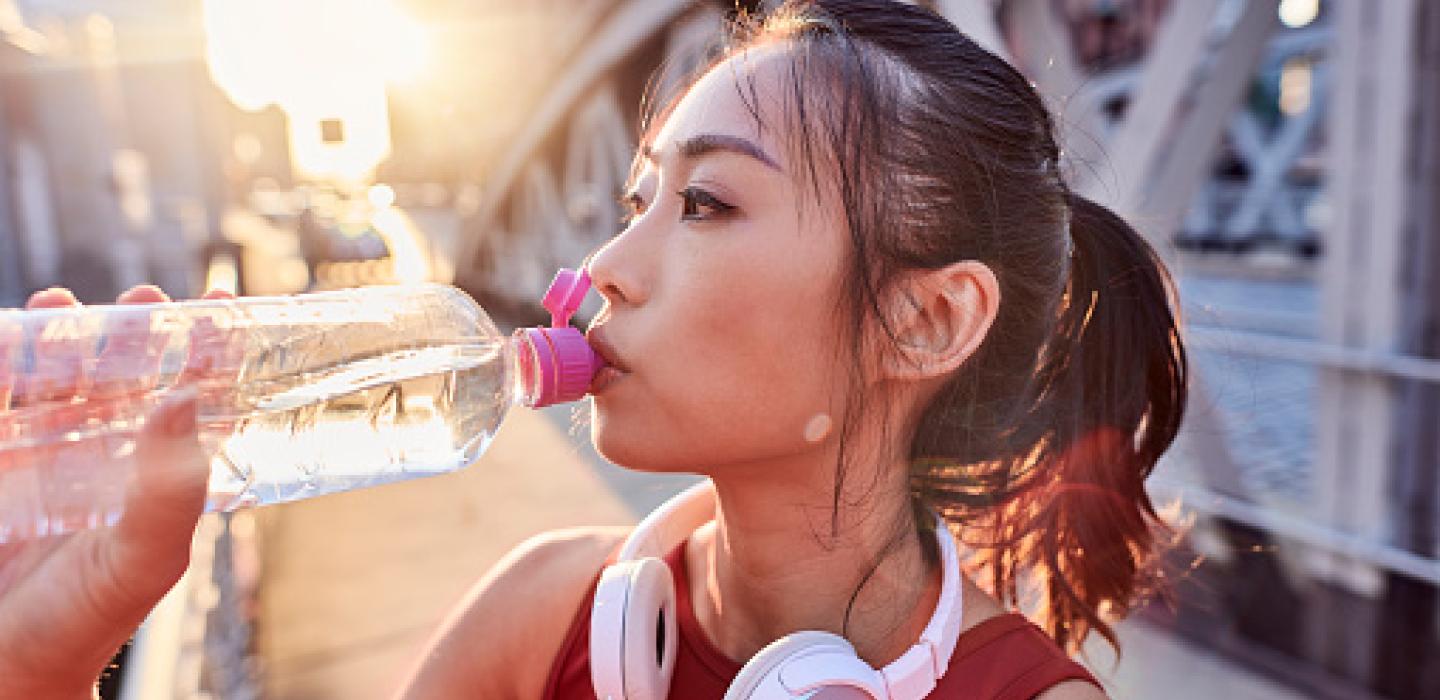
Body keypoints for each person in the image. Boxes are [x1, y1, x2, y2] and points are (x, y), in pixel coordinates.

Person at [0, 1, 1187, 698]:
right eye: (636, 200)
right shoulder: (546, 613)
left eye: (707, 204)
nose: (601, 269)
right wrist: (50, 656)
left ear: (921, 321)